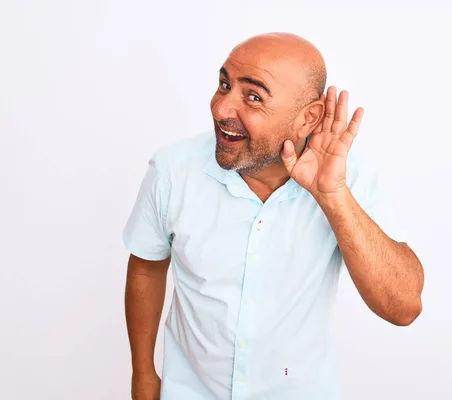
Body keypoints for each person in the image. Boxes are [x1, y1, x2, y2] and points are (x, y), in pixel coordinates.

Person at [122, 32, 424, 400]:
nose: (220, 108)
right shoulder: (172, 171)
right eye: (224, 84)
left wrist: (333, 196)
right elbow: (146, 266)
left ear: (308, 118)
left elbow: (404, 306)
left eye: (253, 96)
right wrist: (143, 375)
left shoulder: (348, 178)